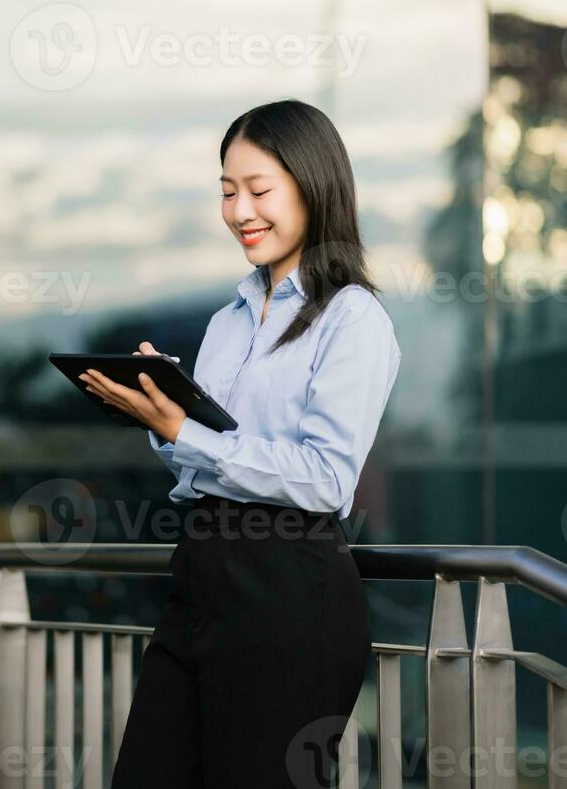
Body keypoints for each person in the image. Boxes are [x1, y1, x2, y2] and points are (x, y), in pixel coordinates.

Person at [82, 98, 402, 789]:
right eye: (227, 192)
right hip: (200, 578)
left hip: (290, 594)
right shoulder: (226, 321)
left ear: (313, 188)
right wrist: (160, 416)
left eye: (258, 190)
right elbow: (203, 462)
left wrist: (184, 430)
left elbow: (325, 480)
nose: (238, 211)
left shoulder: (353, 318)